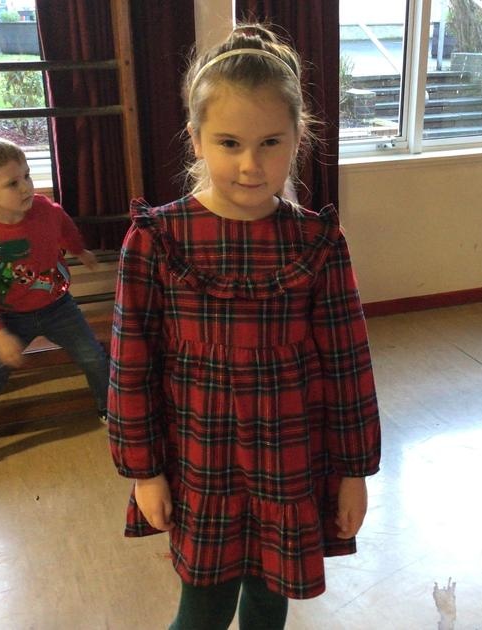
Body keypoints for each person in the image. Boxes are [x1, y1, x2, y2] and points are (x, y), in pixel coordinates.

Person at [107, 24, 381, 630]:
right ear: (196, 139)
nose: (251, 165)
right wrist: (144, 471)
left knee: (268, 596)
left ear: (299, 140)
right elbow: (130, 368)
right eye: (229, 143)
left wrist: (354, 472)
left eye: (271, 143)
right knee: (201, 613)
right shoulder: (155, 240)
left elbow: (349, 366)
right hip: (198, 464)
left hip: (289, 461)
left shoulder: (318, 241)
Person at [0, 137, 109, 492]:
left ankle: (108, 409)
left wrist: (79, 250)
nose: (26, 187)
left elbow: (63, 225)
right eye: (12, 183)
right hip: (9, 319)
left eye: (27, 176)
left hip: (58, 306)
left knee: (94, 358)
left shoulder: (45, 209)